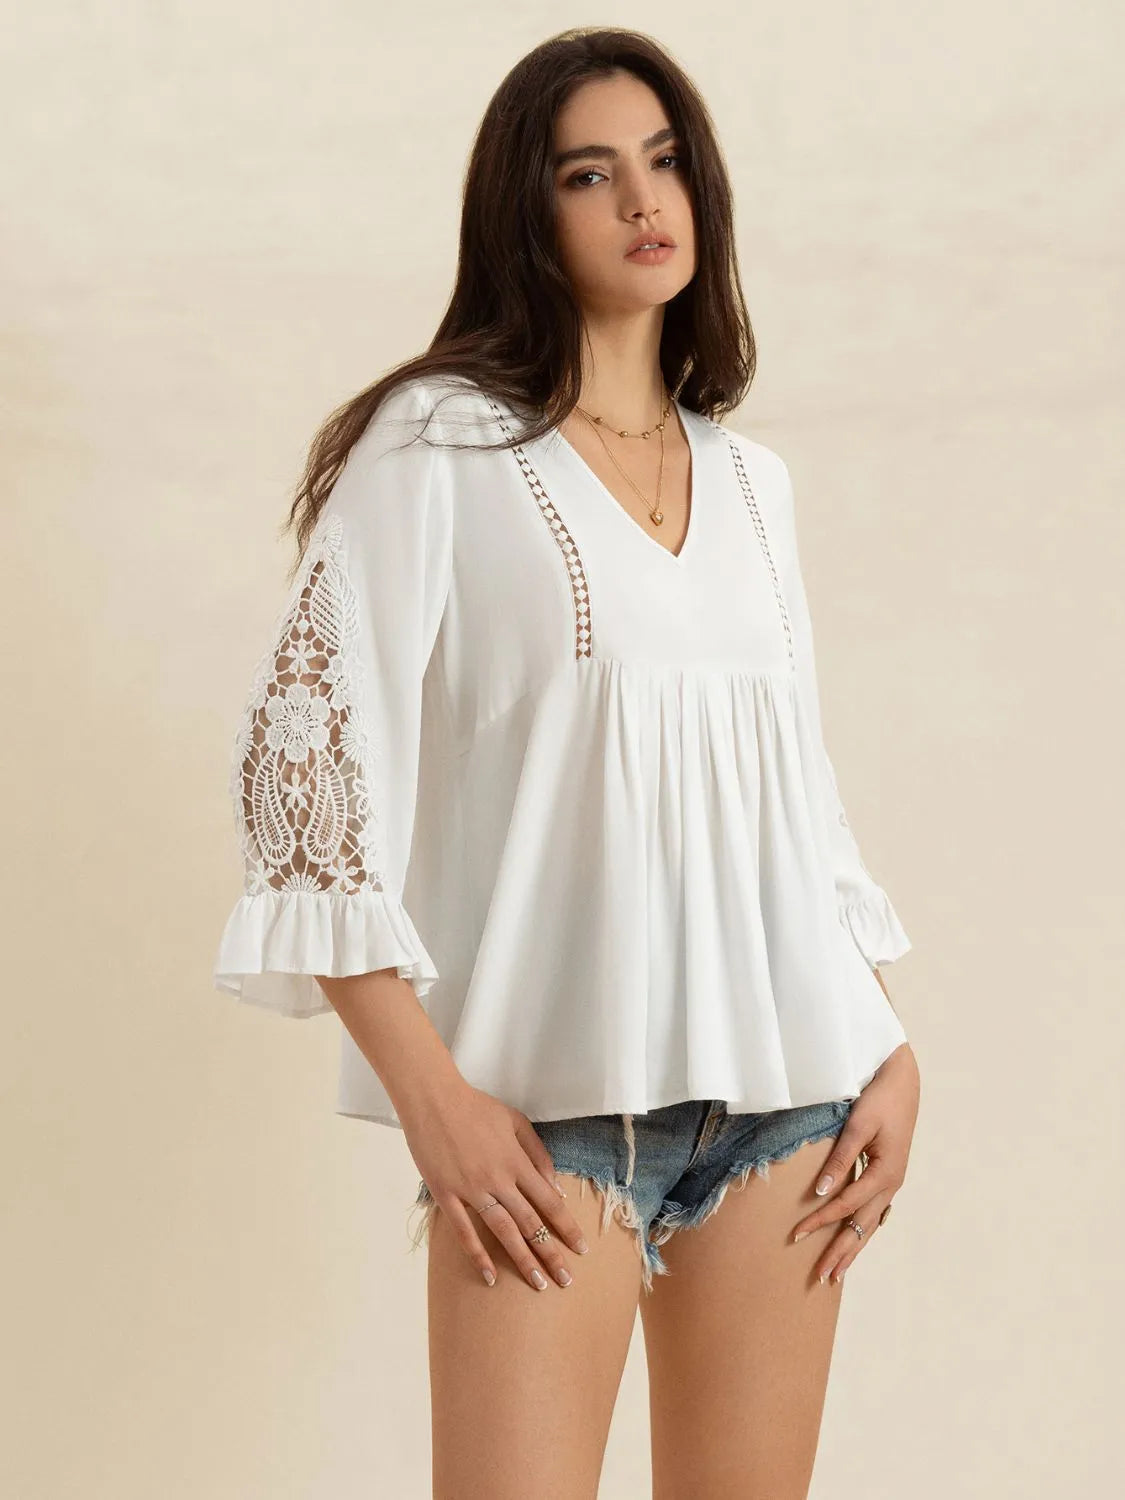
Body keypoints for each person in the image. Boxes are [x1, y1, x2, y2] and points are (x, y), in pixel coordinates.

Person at [212, 25, 921, 1500]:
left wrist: (884, 1043)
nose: (641, 200)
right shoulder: (437, 446)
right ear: (524, 216)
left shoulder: (755, 484)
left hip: (794, 1106)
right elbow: (310, 785)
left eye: (663, 162)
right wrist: (436, 1104)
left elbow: (792, 796)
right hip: (545, 1132)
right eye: (588, 174)